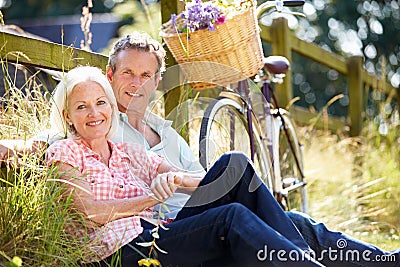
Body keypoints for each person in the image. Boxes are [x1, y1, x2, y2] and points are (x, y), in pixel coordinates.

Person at [102, 32, 399, 267]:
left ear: (156, 81)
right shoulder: (103, 126)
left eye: (145, 75)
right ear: (110, 75)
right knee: (235, 166)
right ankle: (305, 258)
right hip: (166, 233)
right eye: (128, 72)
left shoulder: (166, 132)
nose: (136, 83)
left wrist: (182, 181)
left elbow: (204, 185)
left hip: (196, 220)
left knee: (295, 222)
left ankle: (386, 261)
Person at [45, 65, 328, 266]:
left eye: (100, 103)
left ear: (110, 107)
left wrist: (177, 180)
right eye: (82, 107)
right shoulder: (65, 151)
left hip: (158, 235)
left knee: (235, 165)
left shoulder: (128, 153)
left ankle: (303, 257)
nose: (94, 113)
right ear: (68, 116)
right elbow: (90, 212)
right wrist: (150, 198)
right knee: (231, 217)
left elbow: (203, 181)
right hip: (118, 253)